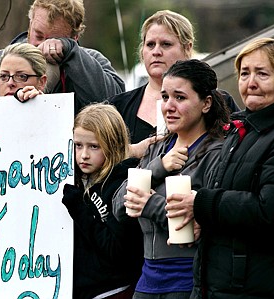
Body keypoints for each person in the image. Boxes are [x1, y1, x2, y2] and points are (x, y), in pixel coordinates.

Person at [165, 37, 274, 298]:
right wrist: (206, 220)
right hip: (220, 285)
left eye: (262, 73)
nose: (251, 83)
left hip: (259, 288)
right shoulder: (240, 130)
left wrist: (201, 203)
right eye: (245, 73)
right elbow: (230, 202)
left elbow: (272, 209)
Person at [112, 59, 230, 299]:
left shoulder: (218, 153)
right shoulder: (157, 149)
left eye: (180, 98)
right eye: (165, 97)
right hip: (146, 283)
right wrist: (158, 168)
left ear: (206, 103)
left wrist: (151, 205)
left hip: (189, 283)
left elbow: (199, 226)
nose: (169, 106)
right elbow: (119, 208)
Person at [104, 10, 238, 157]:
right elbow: (95, 160)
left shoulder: (218, 102)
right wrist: (132, 151)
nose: (156, 52)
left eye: (166, 44)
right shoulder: (117, 106)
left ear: (187, 48)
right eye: (150, 44)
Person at [0, 0, 124, 113]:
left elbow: (116, 104)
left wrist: (71, 53)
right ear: (30, 25)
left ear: (74, 38)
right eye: (38, 35)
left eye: (54, 39)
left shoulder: (93, 61)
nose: (43, 46)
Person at [62, 102, 143, 299]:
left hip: (114, 290)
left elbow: (117, 250)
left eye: (94, 147)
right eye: (78, 146)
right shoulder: (73, 178)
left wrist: (80, 209)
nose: (84, 155)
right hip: (79, 289)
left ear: (112, 144)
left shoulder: (123, 185)